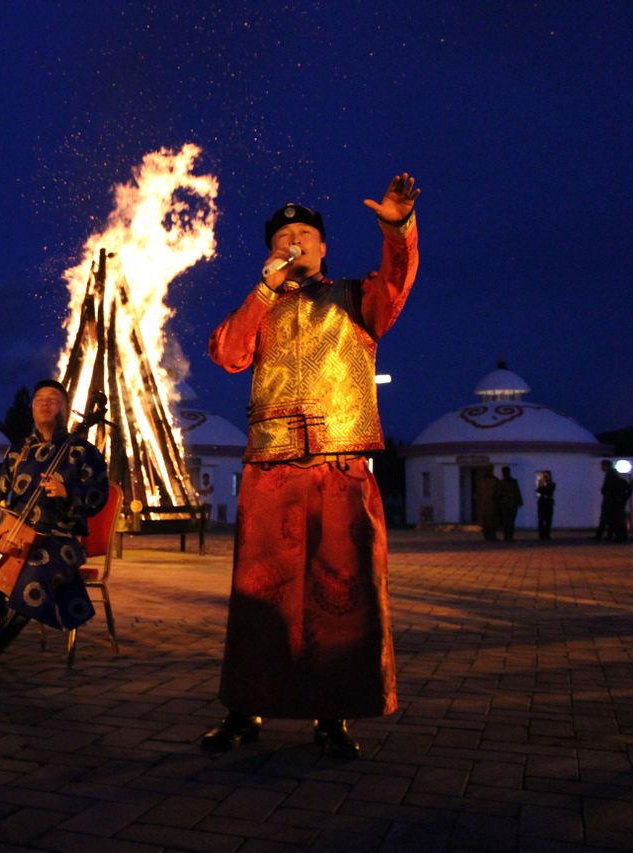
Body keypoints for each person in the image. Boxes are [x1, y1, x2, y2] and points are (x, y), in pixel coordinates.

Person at [202, 174, 419, 759]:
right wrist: (264, 289)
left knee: (342, 596)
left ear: (323, 247)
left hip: (340, 469)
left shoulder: (355, 299)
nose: (294, 242)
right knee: (259, 600)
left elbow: (396, 282)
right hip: (272, 471)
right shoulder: (262, 306)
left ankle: (333, 716)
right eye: (283, 237)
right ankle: (245, 710)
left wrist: (397, 228)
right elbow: (225, 353)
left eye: (304, 235)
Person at [0, 380, 109, 675]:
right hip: (11, 535)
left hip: (58, 540)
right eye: (39, 398)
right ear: (32, 407)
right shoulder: (20, 452)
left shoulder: (82, 451)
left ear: (65, 408)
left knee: (35, 570)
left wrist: (68, 493)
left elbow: (98, 494)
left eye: (53, 399)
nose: (45, 403)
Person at [595, 460, 631, 542]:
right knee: (616, 520)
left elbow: (605, 489)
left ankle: (613, 536)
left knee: (610, 520)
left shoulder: (610, 478)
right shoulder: (619, 480)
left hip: (611, 502)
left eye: (602, 466)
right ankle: (617, 536)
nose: (601, 468)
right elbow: (629, 490)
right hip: (617, 502)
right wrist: (624, 499)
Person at [474, 466, 501, 541]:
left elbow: (478, 493)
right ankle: (490, 536)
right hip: (491, 504)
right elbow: (498, 493)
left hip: (485, 504)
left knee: (488, 521)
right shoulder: (494, 481)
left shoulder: (481, 481)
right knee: (490, 521)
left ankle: (488, 536)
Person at [497, 466, 523, 542]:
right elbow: (517, 492)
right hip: (508, 504)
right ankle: (508, 536)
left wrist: (519, 501)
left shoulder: (507, 482)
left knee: (509, 521)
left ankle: (508, 536)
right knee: (508, 521)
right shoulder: (509, 482)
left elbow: (517, 492)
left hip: (508, 504)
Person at [536, 471, 556, 540]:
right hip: (542, 503)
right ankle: (542, 535)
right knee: (541, 520)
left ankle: (547, 534)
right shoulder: (540, 483)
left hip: (548, 503)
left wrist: (542, 486)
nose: (546, 477)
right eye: (545, 475)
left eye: (547, 475)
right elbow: (539, 490)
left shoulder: (552, 484)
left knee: (548, 520)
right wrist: (541, 485)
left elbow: (548, 491)